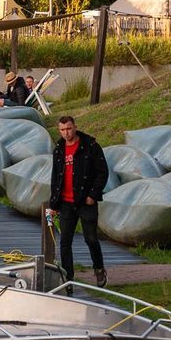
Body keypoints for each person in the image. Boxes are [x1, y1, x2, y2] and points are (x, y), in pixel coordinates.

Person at [46, 115, 108, 286]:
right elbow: (55, 177)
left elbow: (103, 172)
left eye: (69, 129)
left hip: (85, 201)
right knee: (65, 242)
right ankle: (68, 278)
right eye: (62, 130)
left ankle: (99, 269)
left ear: (75, 127)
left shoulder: (90, 146)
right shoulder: (59, 149)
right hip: (66, 203)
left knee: (91, 239)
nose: (66, 133)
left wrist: (93, 196)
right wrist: (53, 204)